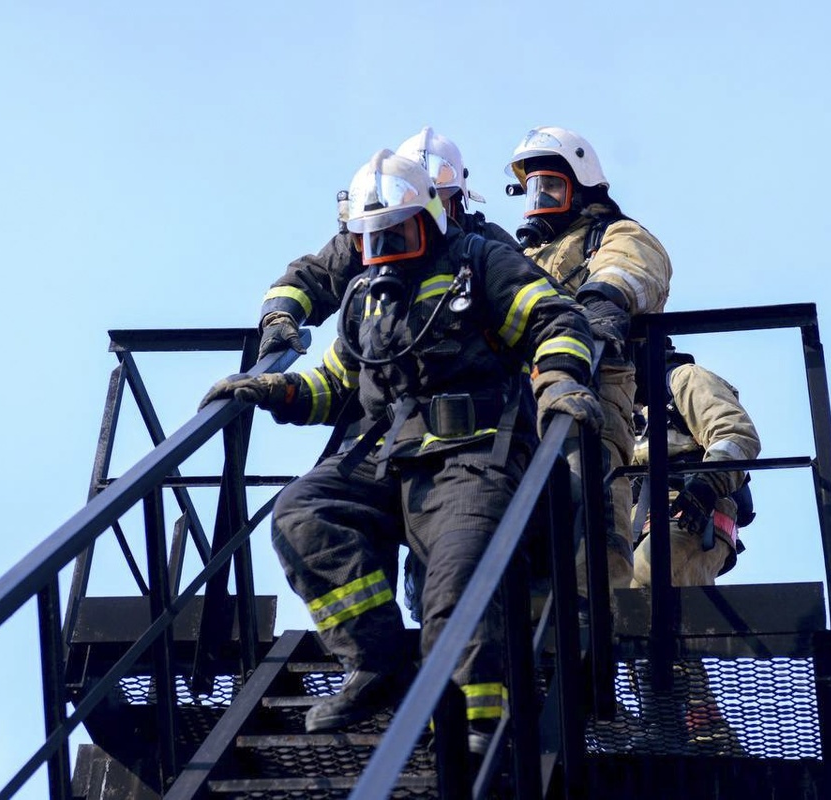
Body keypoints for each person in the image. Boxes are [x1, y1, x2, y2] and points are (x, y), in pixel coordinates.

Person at [200, 150, 602, 745]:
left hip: (473, 457)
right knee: (302, 514)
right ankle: (377, 663)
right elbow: (337, 384)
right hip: (385, 458)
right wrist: (277, 389)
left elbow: (556, 320)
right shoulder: (365, 298)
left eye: (397, 231)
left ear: (431, 219)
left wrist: (560, 381)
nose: (385, 246)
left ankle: (474, 721)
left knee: (459, 572)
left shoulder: (481, 261)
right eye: (372, 236)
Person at [505, 125, 673, 591]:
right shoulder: (520, 257)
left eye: (551, 187)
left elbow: (631, 268)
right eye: (533, 189)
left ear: (582, 188)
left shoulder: (616, 234)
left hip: (591, 399)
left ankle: (597, 615)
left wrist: (602, 300)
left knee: (588, 527)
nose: (540, 199)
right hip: (520, 405)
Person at [255, 126, 519, 362]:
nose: (433, 217)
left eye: (440, 201)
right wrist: (279, 316)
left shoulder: (485, 245)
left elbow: (532, 292)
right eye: (417, 210)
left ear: (458, 198)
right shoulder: (370, 240)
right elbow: (312, 277)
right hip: (386, 372)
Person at [629, 341, 761, 588]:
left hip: (691, 514)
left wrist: (708, 483)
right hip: (630, 526)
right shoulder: (618, 411)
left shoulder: (684, 379)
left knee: (644, 582)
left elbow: (734, 433)